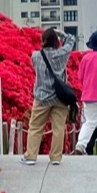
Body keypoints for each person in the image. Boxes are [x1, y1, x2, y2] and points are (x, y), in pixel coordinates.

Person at [22, 28, 73, 164]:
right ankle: (56, 157)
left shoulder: (35, 56)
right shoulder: (62, 54)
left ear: (43, 40)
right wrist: (59, 32)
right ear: (57, 41)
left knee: (35, 127)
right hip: (60, 98)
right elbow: (71, 40)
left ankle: (31, 156)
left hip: (42, 98)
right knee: (58, 128)